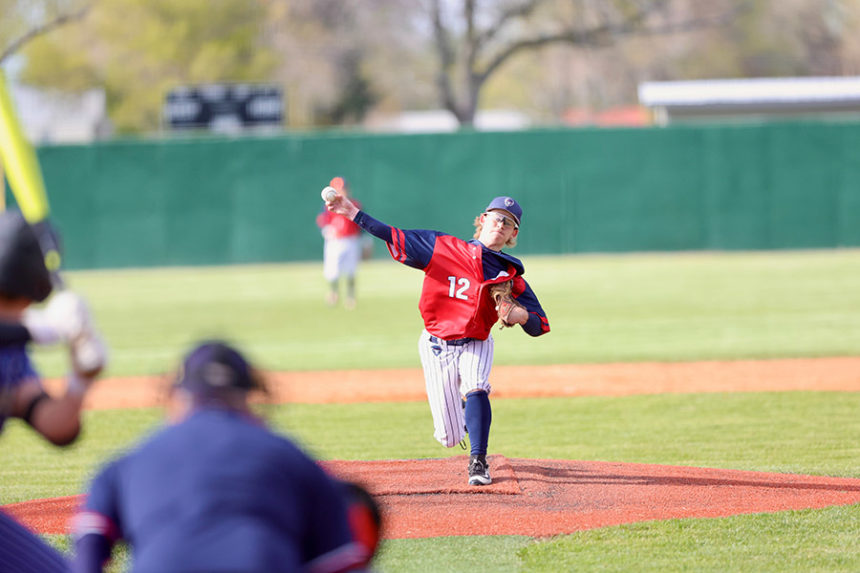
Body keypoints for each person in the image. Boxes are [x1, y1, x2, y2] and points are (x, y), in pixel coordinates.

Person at [72, 340, 379, 573]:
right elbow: (342, 562)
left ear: (179, 395)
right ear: (248, 396)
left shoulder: (126, 463)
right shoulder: (293, 459)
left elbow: (88, 546)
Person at [322, 192, 550, 486]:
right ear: (482, 220)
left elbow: (541, 324)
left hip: (476, 341)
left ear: (513, 234)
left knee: (476, 385)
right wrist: (352, 212)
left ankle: (478, 462)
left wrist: (523, 317)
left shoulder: (510, 273)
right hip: (436, 344)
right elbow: (391, 234)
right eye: (497, 218)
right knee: (449, 436)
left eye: (509, 223)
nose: (501, 225)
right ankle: (465, 413)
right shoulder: (442, 247)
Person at [0, 209, 108, 572]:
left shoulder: (11, 354)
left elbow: (57, 429)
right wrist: (41, 330)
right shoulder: (19, 335)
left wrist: (81, 377)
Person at [316, 177, 364, 309]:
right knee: (333, 271)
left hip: (351, 240)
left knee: (351, 271)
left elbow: (361, 226)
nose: (341, 191)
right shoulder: (327, 206)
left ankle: (350, 296)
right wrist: (327, 230)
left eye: (343, 188)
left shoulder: (354, 204)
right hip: (335, 241)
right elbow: (322, 221)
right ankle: (333, 293)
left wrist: (365, 241)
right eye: (338, 188)